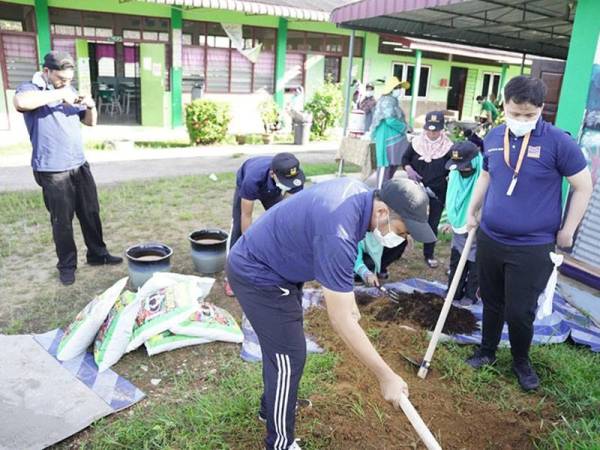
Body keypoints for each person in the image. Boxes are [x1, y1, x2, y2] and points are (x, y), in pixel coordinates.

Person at [227, 175, 436, 450]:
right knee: (289, 355)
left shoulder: (360, 196)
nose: (402, 239)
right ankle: (279, 442)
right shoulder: (339, 231)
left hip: (277, 264)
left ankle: (275, 405)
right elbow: (340, 320)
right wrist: (386, 377)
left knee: (282, 350)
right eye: (403, 231)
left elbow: (341, 289)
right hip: (258, 273)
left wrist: (348, 304)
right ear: (383, 211)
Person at [466, 76, 592, 391]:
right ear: (504, 107)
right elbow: (485, 174)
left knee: (520, 310)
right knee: (491, 300)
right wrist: (472, 209)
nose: (521, 120)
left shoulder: (558, 142)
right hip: (491, 237)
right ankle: (487, 352)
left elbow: (583, 185)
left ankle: (521, 362)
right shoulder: (494, 137)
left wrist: (568, 230)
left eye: (529, 115)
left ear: (541, 110)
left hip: (532, 246)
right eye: (515, 113)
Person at [13, 51, 122, 286]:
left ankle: (98, 254)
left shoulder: (69, 90)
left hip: (79, 164)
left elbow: (90, 122)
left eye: (68, 80)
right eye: (61, 78)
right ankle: (67, 266)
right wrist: (60, 92)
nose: (65, 83)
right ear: (46, 72)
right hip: (53, 169)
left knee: (91, 213)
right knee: (62, 220)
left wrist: (90, 105)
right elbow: (21, 103)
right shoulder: (30, 88)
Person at [224, 153, 306, 296]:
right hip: (248, 180)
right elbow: (246, 215)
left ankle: (278, 268)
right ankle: (231, 277)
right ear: (272, 173)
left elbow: (288, 208)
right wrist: (247, 247)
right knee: (238, 228)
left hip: (271, 189)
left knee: (282, 223)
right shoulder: (252, 178)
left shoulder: (295, 176)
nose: (290, 185)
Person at [401, 111, 453, 268]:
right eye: (429, 129)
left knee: (432, 223)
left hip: (437, 192)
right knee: (407, 220)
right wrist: (409, 169)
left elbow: (453, 168)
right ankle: (399, 250)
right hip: (415, 189)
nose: (431, 133)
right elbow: (405, 159)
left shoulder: (449, 147)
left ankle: (429, 254)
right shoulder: (416, 142)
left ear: (441, 129)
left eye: (435, 130)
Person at [444, 141, 483, 305]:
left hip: (478, 227)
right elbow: (452, 197)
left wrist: (477, 217)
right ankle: (455, 291)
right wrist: (449, 219)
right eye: (458, 167)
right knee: (457, 260)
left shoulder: (484, 177)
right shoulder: (455, 174)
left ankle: (471, 293)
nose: (461, 170)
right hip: (459, 227)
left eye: (465, 166)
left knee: (475, 263)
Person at [367, 76, 408, 188]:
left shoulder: (392, 100)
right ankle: (379, 193)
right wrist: (404, 128)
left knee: (390, 166)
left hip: (391, 139)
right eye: (397, 87)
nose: (399, 89)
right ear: (391, 88)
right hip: (386, 138)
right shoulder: (387, 101)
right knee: (385, 166)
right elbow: (390, 120)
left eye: (400, 87)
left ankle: (385, 190)